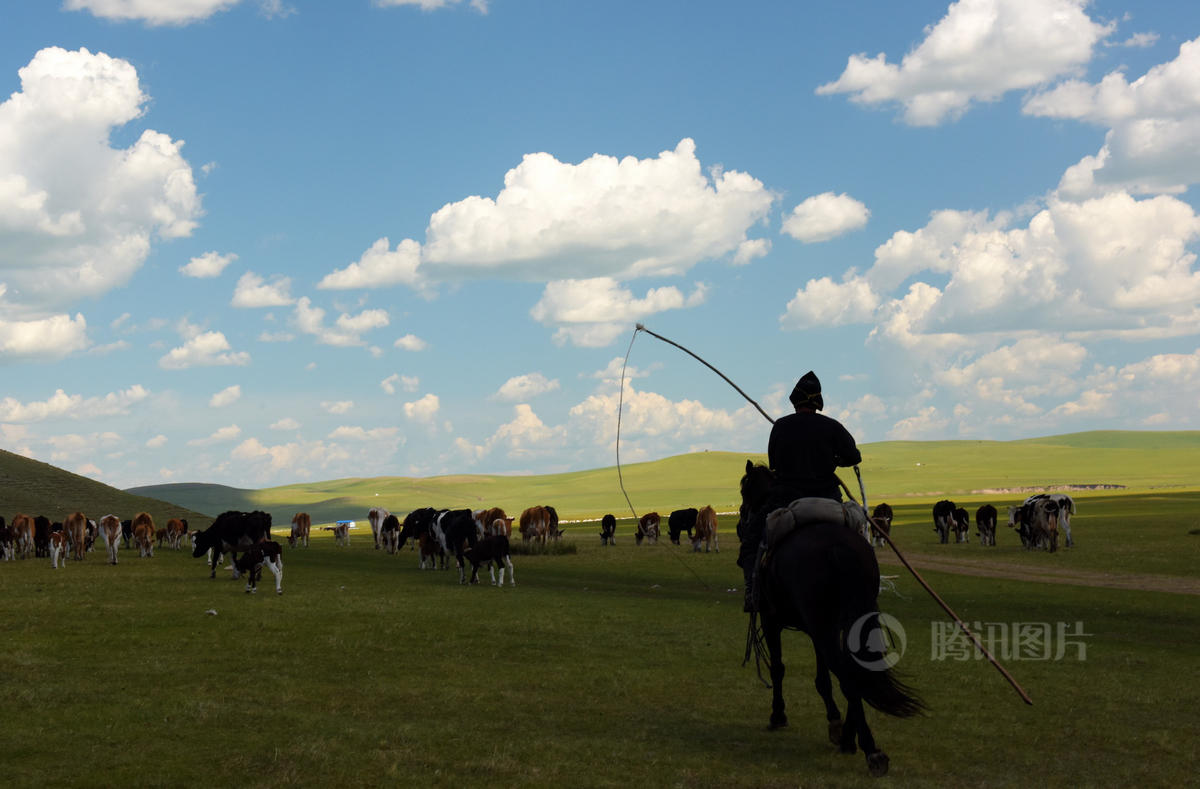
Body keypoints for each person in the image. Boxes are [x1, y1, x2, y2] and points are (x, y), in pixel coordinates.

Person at [737, 371, 862, 611]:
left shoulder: (782, 426)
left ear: (795, 401)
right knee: (857, 532)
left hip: (787, 498)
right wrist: (833, 460)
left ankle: (753, 593)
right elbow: (854, 457)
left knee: (752, 540)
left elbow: (773, 465)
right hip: (829, 497)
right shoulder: (832, 426)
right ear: (817, 403)